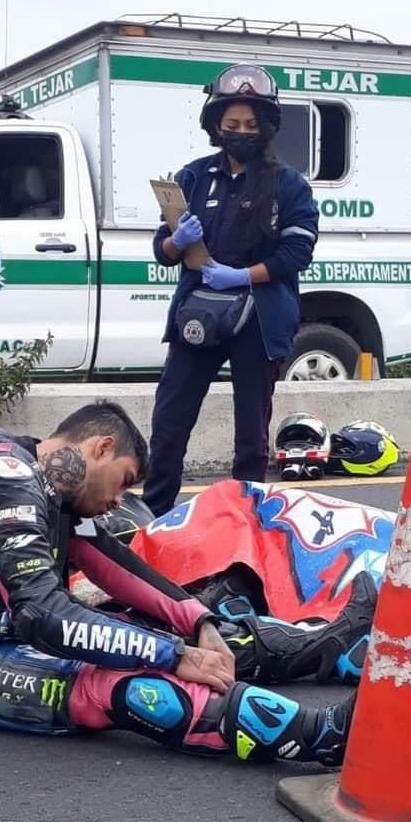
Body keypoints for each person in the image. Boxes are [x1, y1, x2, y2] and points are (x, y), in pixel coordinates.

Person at [0, 404, 373, 765]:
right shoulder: (3, 476)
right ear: (100, 447)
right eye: (121, 482)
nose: (119, 502)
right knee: (124, 683)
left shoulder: (40, 478)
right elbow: (46, 616)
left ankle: (327, 647)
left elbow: (112, 563)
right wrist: (176, 656)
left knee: (185, 630)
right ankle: (322, 734)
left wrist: (197, 623)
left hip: (10, 632)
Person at [141, 65, 319, 517]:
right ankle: (154, 515)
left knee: (250, 435)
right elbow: (163, 250)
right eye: (232, 124)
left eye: (251, 125)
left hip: (259, 320)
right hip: (199, 314)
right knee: (169, 422)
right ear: (215, 125)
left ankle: (245, 521)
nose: (241, 132)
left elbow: (297, 253)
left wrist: (242, 276)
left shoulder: (289, 184)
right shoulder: (193, 178)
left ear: (266, 127)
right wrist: (175, 241)